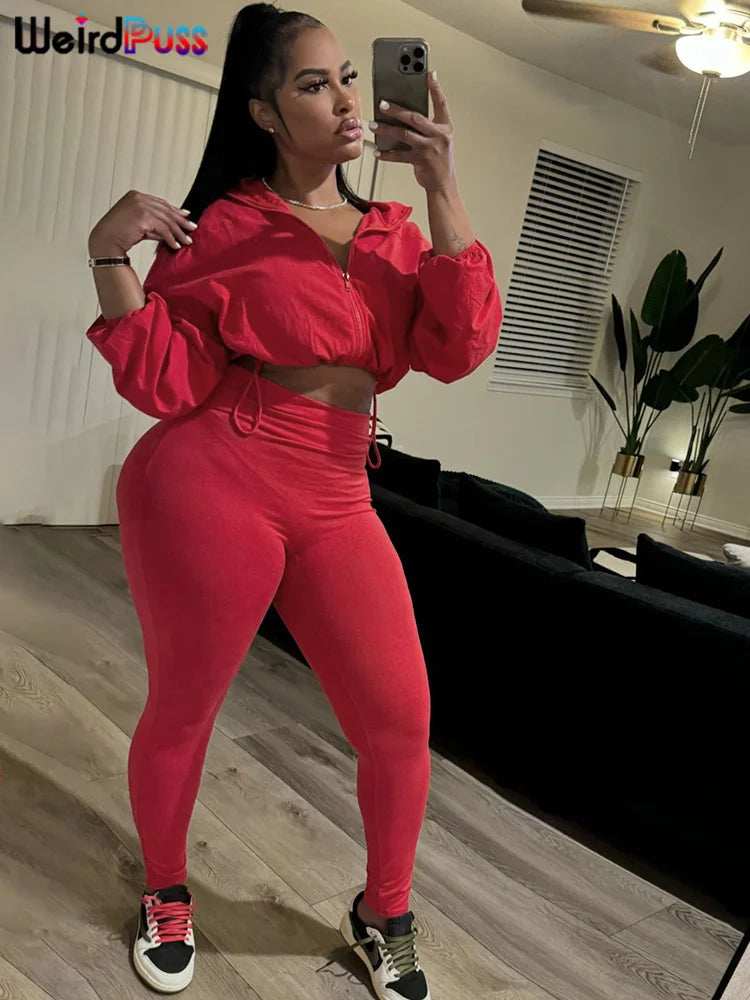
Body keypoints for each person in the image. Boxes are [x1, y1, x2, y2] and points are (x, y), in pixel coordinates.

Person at [85, 3, 503, 997]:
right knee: (186, 706)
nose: (348, 100)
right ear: (264, 112)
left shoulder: (395, 235)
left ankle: (385, 910)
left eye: (350, 77)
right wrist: (109, 257)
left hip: (339, 490)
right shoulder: (225, 226)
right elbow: (167, 380)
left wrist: (442, 184)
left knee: (399, 718)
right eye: (314, 84)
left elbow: (459, 347)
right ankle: (165, 891)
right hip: (217, 474)